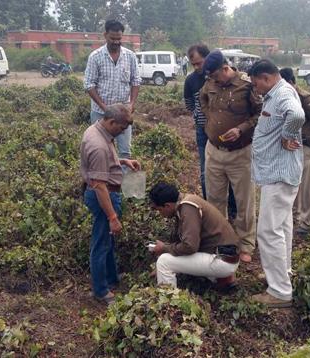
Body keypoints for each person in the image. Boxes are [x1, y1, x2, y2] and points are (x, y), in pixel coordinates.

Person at [248, 59, 305, 308]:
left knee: (268, 231)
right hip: (279, 172)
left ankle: (280, 291)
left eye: (256, 83)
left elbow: (298, 114)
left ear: (266, 77)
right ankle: (284, 272)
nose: (255, 87)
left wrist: (287, 136)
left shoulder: (282, 94)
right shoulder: (276, 93)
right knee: (282, 227)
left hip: (279, 174)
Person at [200, 50, 262, 264]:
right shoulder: (210, 84)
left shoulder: (246, 85)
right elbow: (203, 100)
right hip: (214, 151)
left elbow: (259, 113)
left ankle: (246, 243)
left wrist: (241, 129)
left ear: (225, 69)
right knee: (215, 200)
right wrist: (211, 122)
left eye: (216, 76)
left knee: (244, 200)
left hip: (240, 153)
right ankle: (222, 241)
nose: (213, 80)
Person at [80, 104, 141, 304]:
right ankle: (101, 291)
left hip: (105, 193)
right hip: (103, 197)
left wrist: (123, 162)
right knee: (101, 243)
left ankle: (111, 279)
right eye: (121, 128)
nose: (122, 132)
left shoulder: (99, 131)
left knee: (108, 241)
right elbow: (99, 185)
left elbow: (105, 163)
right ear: (111, 122)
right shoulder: (98, 145)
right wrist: (112, 216)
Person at [149, 182, 240, 290]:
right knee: (169, 256)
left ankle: (168, 302)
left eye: (159, 210)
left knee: (164, 262)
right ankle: (221, 279)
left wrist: (164, 248)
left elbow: (190, 247)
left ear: (167, 205)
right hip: (225, 254)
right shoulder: (185, 202)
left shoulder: (188, 208)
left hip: (222, 259)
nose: (160, 213)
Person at [183, 44, 237, 219]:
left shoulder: (219, 76)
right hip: (203, 131)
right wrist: (203, 118)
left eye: (200, 63)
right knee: (207, 171)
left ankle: (233, 209)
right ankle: (211, 211)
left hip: (225, 131)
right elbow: (190, 105)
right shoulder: (190, 81)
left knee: (230, 170)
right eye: (194, 65)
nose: (198, 68)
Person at [84, 19, 141, 161]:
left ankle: (120, 182)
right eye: (113, 38)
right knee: (100, 150)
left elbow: (135, 81)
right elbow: (89, 85)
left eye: (119, 38)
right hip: (100, 113)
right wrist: (105, 108)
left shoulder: (130, 56)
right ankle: (103, 181)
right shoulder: (95, 57)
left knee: (125, 152)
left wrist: (132, 104)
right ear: (105, 35)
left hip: (123, 114)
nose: (116, 41)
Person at [279, 68, 310, 236]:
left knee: (306, 187)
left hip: (305, 148)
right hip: (289, 147)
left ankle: (307, 221)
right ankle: (296, 216)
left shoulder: (306, 100)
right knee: (292, 183)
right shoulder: (282, 97)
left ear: (290, 81)